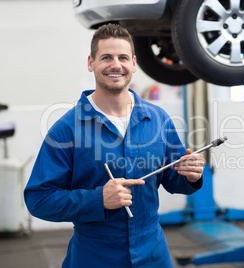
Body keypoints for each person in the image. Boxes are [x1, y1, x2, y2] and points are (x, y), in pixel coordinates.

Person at [24, 24, 205, 267]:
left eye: (123, 57)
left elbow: (173, 179)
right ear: (91, 63)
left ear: (134, 63)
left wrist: (190, 176)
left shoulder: (158, 119)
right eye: (106, 57)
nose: (115, 65)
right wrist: (98, 200)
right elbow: (39, 199)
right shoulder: (67, 129)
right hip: (95, 255)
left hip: (153, 254)